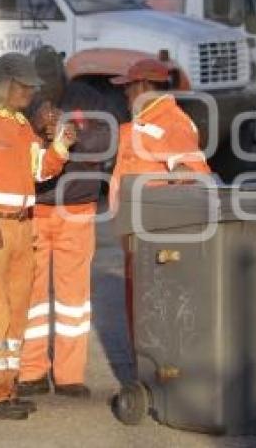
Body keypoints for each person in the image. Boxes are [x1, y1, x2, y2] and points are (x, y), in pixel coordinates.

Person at [0, 52, 76, 419]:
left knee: (17, 311)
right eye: (25, 87)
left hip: (23, 226)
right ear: (5, 84)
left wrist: (60, 148)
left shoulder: (21, 125)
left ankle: (7, 389)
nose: (31, 94)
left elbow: (39, 172)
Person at [17, 47, 112, 399]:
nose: (44, 91)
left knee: (74, 300)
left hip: (78, 210)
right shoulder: (22, 103)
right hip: (35, 210)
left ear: (63, 77)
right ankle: (32, 373)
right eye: (37, 85)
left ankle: (70, 375)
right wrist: (36, 128)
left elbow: (106, 142)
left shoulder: (90, 99)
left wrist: (69, 134)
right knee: (33, 297)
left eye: (50, 83)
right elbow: (10, 148)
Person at [108, 58, 212, 339]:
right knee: (142, 306)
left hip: (153, 237)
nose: (125, 94)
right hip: (139, 233)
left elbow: (196, 174)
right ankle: (145, 372)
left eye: (128, 87)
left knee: (152, 307)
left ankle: (152, 376)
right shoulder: (150, 121)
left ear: (142, 85)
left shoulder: (169, 122)